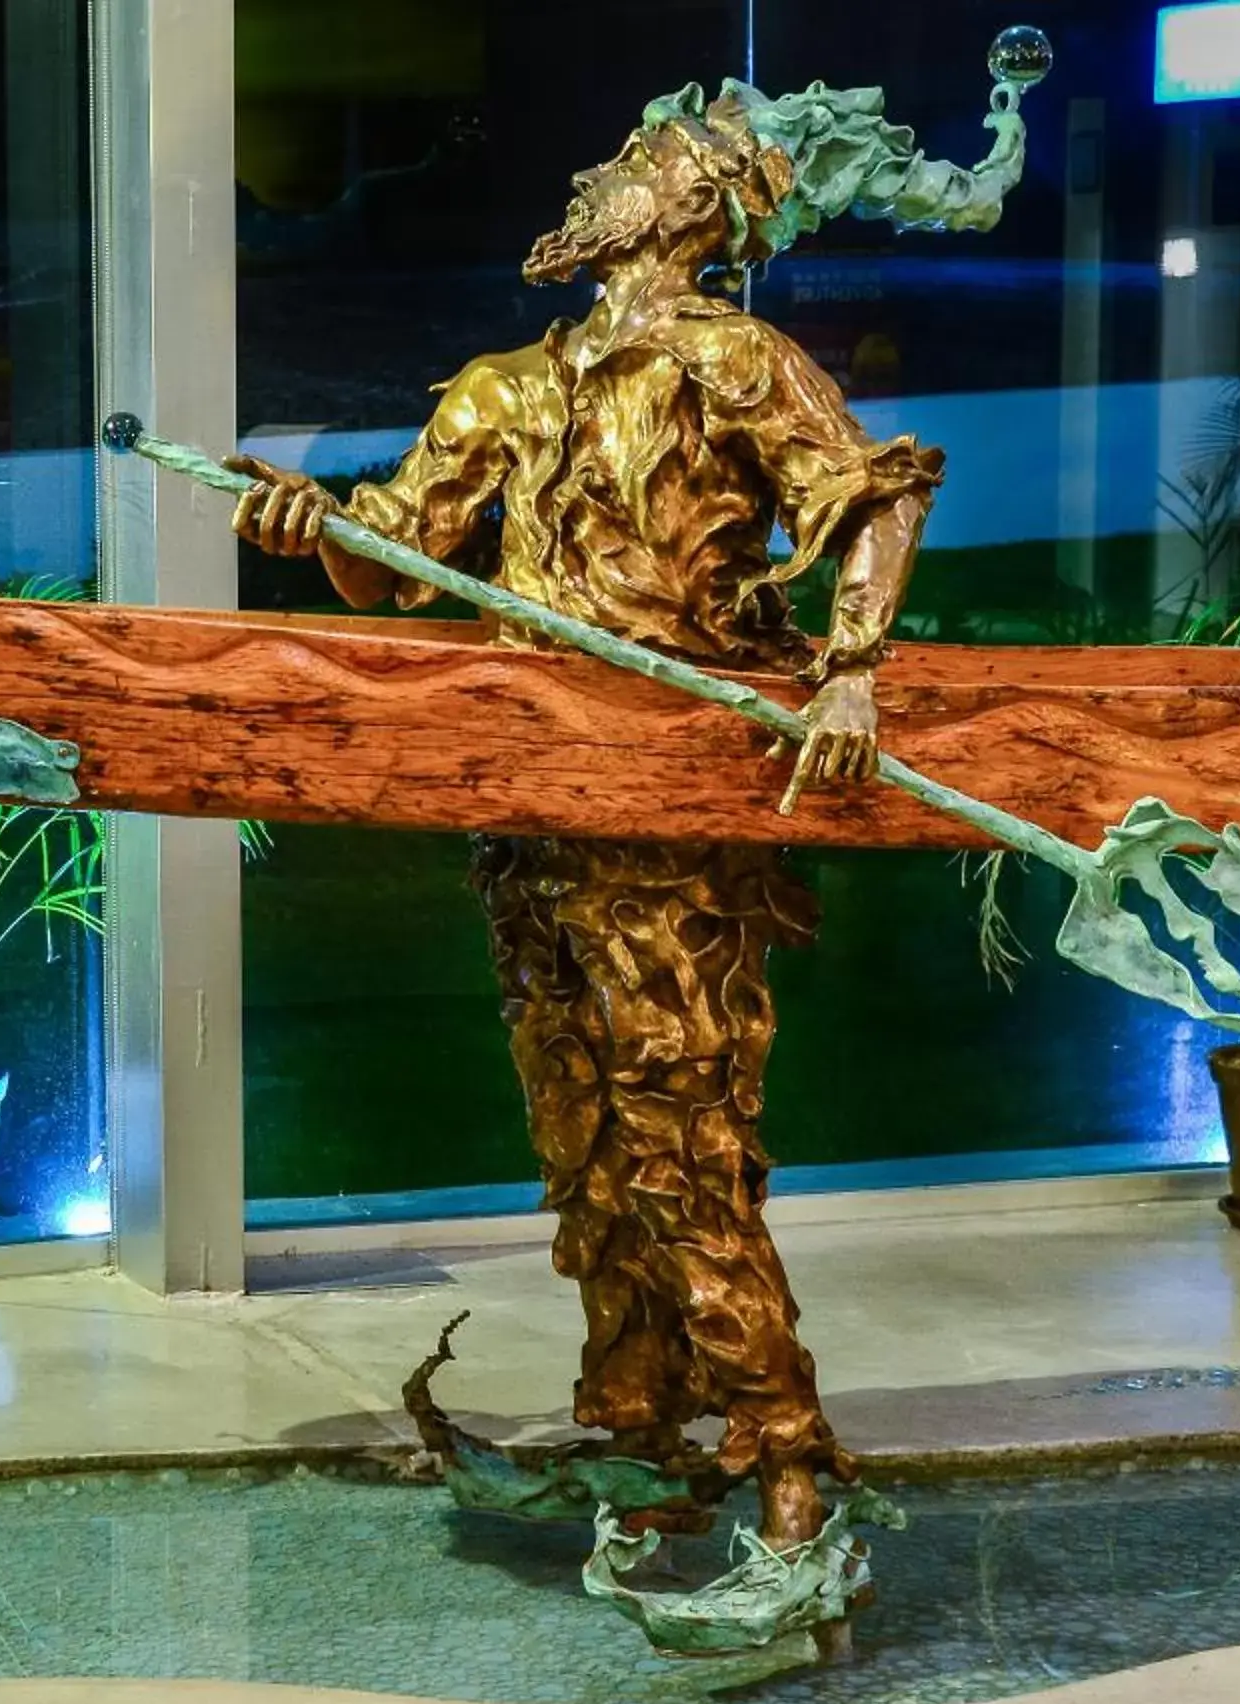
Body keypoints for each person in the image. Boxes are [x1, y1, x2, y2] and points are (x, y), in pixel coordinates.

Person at [224, 87, 983, 1549]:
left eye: (633, 165)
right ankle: (635, 1414)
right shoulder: (500, 386)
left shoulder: (735, 361)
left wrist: (850, 672)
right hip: (530, 826)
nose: (598, 175)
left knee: (684, 1139)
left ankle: (782, 1445)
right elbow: (400, 555)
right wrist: (317, 528)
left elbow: (877, 499)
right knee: (581, 1143)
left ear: (691, 211)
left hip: (674, 824)